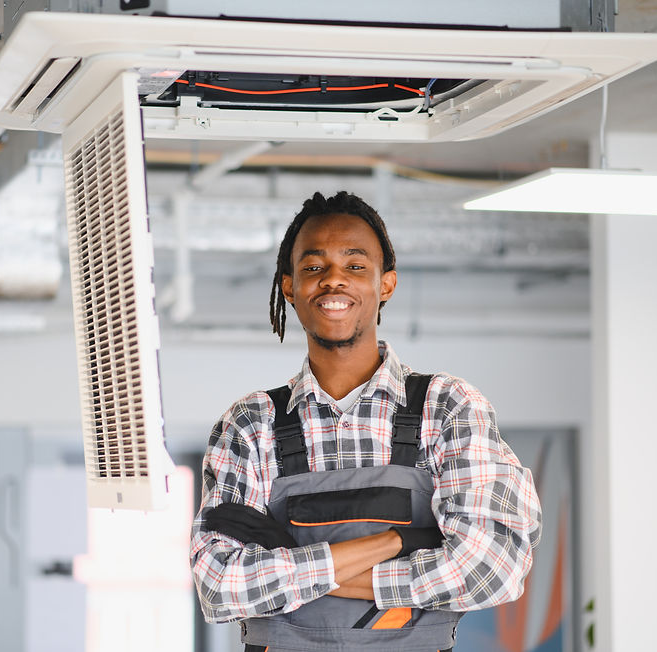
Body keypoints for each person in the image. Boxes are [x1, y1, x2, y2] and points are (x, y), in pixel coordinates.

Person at [189, 191, 542, 652]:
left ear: (386, 284)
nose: (333, 279)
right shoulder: (250, 424)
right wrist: (397, 542)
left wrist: (295, 563)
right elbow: (219, 586)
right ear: (290, 287)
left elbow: (491, 569)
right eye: (313, 267)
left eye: (355, 266)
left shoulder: (448, 408)